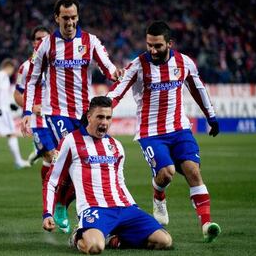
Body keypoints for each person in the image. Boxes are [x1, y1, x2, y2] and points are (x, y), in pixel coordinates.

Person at [107, 21, 221, 242]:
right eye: (149, 45)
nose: (152, 50)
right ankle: (159, 195)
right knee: (167, 172)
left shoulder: (183, 62)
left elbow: (198, 89)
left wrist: (211, 116)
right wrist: (100, 108)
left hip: (179, 129)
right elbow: (117, 92)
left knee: (193, 171)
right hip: (150, 133)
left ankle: (207, 225)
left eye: (158, 45)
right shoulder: (138, 66)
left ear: (169, 43)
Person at [21, 0, 123, 233]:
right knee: (72, 159)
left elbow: (106, 65)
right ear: (57, 18)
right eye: (65, 18)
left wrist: (115, 72)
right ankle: (58, 206)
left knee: (87, 163)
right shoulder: (46, 44)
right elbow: (33, 79)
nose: (70, 23)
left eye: (74, 18)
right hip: (57, 112)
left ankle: (62, 205)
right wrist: (27, 111)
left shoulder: (90, 41)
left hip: (84, 112)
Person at [42, 96, 172, 254]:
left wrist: (133, 206)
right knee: (95, 247)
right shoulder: (70, 141)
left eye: (108, 117)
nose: (104, 122)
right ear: (89, 117)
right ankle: (77, 236)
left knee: (164, 241)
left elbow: (120, 182)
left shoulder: (116, 145)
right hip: (95, 209)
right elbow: (51, 180)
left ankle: (114, 239)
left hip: (124, 208)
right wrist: (47, 213)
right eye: (100, 117)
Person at [13, 26, 55, 180]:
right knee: (52, 157)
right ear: (32, 43)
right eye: (38, 38)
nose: (42, 41)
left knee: (55, 159)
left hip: (58, 118)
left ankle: (39, 152)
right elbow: (17, 94)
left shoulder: (58, 65)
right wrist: (30, 107)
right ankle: (50, 193)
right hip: (39, 122)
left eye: (45, 38)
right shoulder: (25, 67)